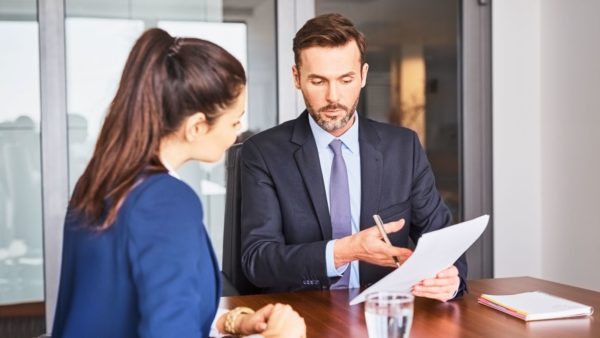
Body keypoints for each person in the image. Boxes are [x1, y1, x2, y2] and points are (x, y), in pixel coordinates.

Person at [52, 28, 305, 338]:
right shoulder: (166, 201)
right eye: (234, 121)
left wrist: (232, 322)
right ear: (197, 126)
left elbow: (141, 307)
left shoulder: (99, 181)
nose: (237, 134)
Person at [240, 13, 467, 302]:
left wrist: (451, 279)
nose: (333, 97)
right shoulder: (263, 153)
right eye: (318, 81)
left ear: (363, 75)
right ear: (297, 78)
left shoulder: (403, 147)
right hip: (302, 316)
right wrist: (346, 250)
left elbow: (443, 239)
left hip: (384, 313)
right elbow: (258, 261)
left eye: (345, 79)